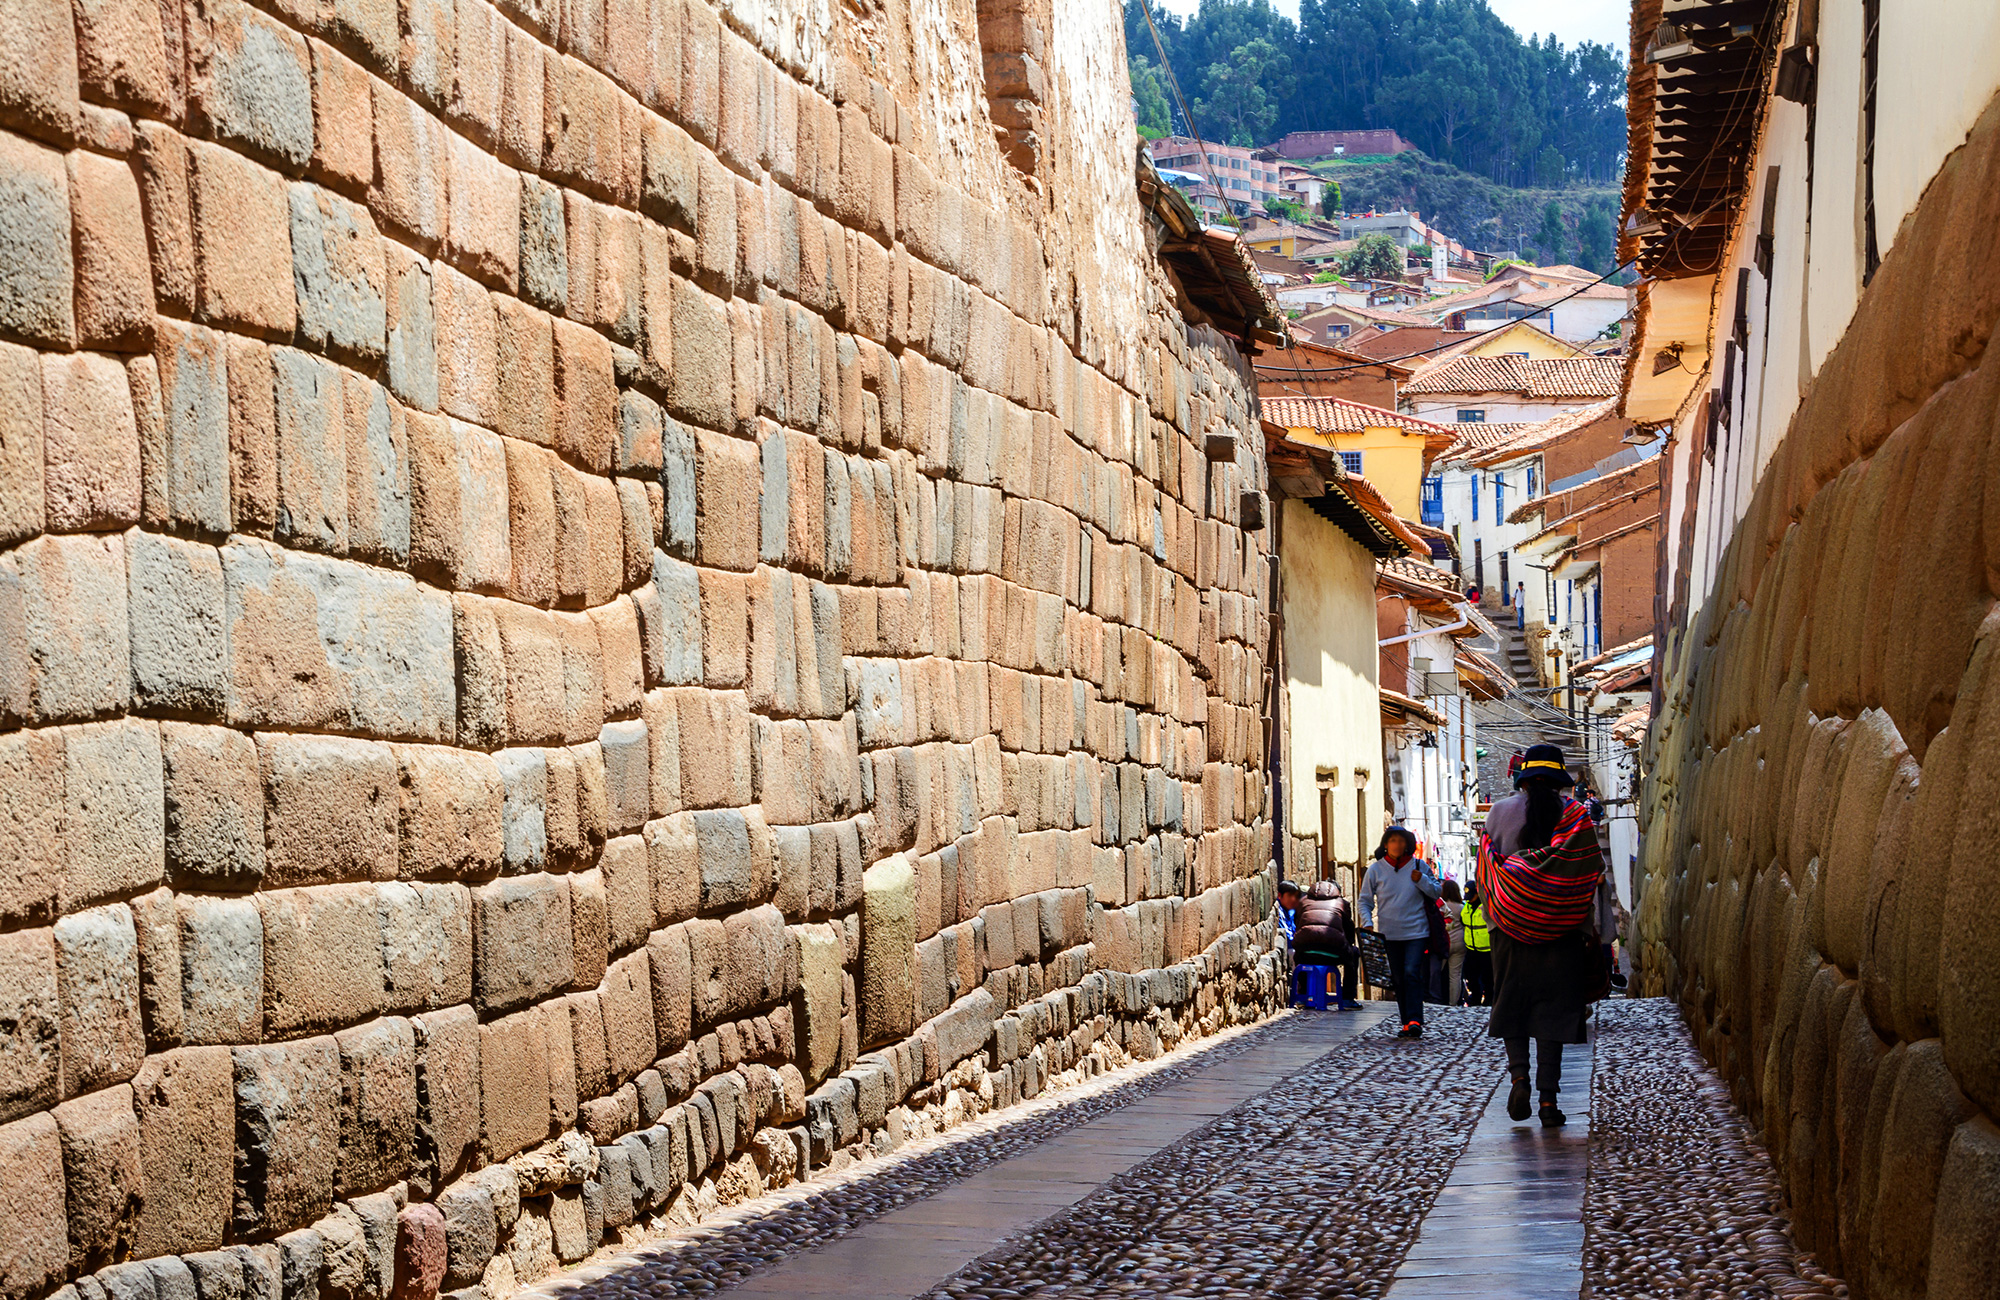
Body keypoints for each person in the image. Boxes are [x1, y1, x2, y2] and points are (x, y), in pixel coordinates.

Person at [1477, 744, 1606, 1127]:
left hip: (1508, 930)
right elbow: (1589, 874)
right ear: (1559, 779)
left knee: (1513, 1006)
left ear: (1524, 778)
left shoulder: (1498, 813)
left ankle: (1519, 1079)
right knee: (1553, 1014)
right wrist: (1593, 929)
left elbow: (1486, 874)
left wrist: (1501, 914)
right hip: (1562, 932)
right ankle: (1548, 1102)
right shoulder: (1576, 816)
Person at [1359, 825, 1441, 1038]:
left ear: (1407, 844)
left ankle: (1415, 1020)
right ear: (1386, 845)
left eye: (1401, 840)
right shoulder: (1375, 870)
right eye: (1393, 840)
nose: (1397, 844)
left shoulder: (1419, 866)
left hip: (1417, 931)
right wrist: (1367, 921)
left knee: (1411, 973)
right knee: (1398, 978)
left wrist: (1421, 880)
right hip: (1389, 934)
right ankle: (1407, 1022)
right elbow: (1365, 901)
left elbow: (1436, 891)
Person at [1295, 880, 1361, 1009]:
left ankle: (1303, 996)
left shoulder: (1303, 902)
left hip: (1305, 955)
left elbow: (1298, 925)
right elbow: (1349, 932)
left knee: (1300, 952)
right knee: (1354, 953)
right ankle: (1347, 998)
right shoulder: (1342, 904)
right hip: (1332, 955)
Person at [1461, 881, 1493, 1006]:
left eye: (1472, 896)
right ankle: (1475, 998)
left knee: (1488, 978)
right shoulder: (1467, 906)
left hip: (1486, 949)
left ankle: (1489, 1000)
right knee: (1471, 975)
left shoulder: (1486, 906)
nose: (1469, 900)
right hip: (1471, 949)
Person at [1439, 879, 1467, 1005]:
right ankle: (1453, 1003)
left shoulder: (1441, 906)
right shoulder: (1462, 907)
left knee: (1437, 972)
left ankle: (1437, 999)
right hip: (1460, 942)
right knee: (1455, 975)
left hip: (1444, 942)